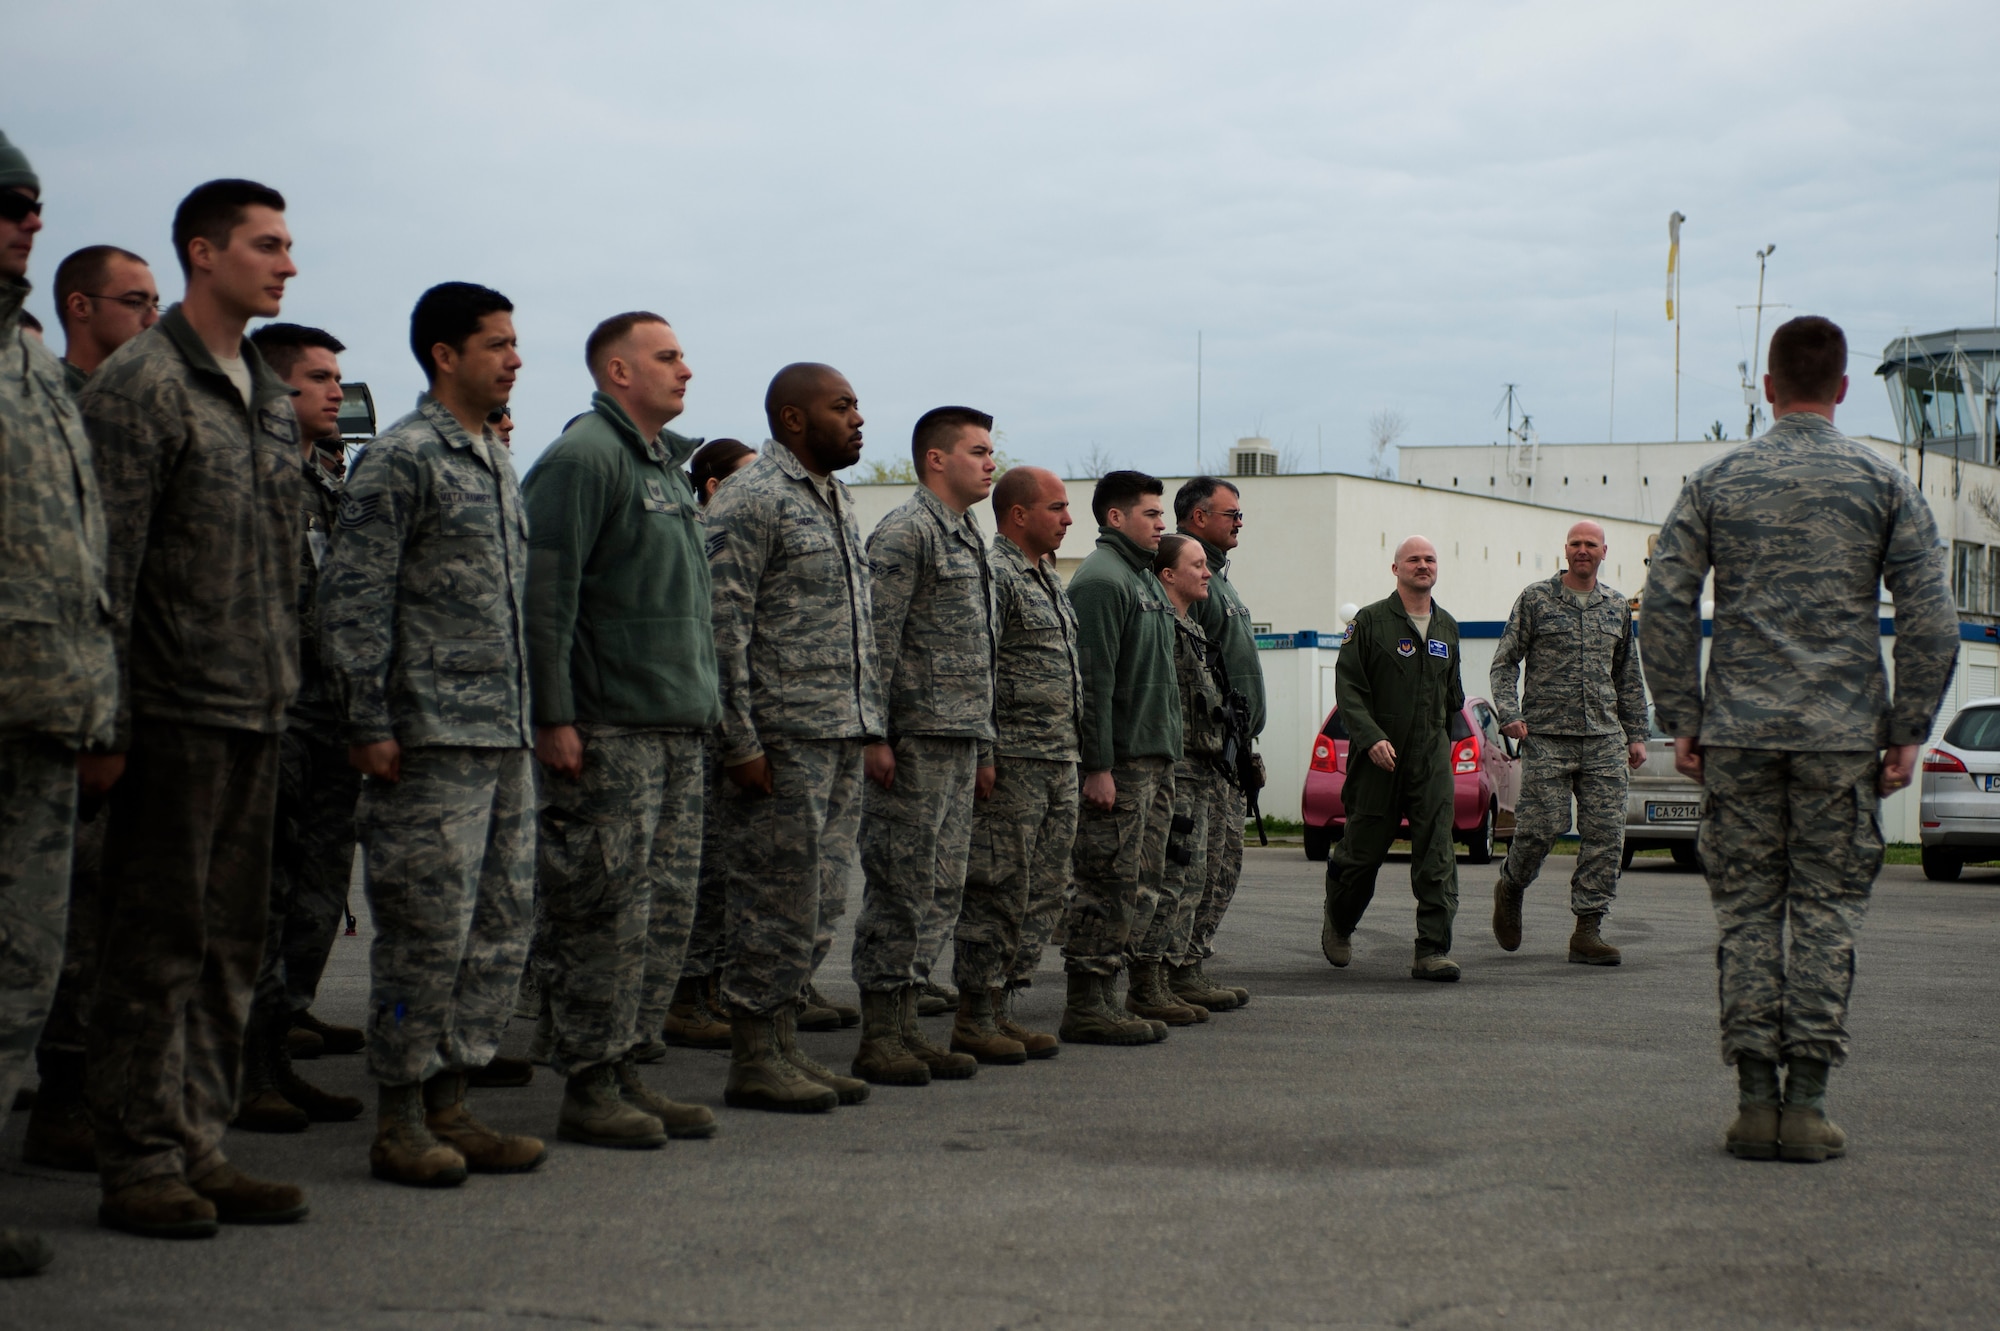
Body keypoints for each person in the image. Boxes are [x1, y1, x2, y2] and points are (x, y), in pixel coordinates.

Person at [1640, 315, 1957, 1164]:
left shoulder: (1717, 480)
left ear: (1769, 386)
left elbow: (1665, 600)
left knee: (1747, 913)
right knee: (1824, 912)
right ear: (1844, 387)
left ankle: (1753, 1103)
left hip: (1739, 733)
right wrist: (1909, 727)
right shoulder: (1882, 484)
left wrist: (1683, 714)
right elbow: (1932, 614)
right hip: (1842, 738)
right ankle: (1808, 1106)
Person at [80, 178, 308, 1236]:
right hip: (171, 709)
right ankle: (137, 1156)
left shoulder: (259, 386)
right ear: (201, 252)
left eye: (288, 245)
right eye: (266, 245)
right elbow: (106, 564)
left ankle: (199, 1141)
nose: (287, 263)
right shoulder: (142, 384)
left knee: (230, 941)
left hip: (257, 702)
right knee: (156, 941)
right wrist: (108, 720)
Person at [318, 281, 545, 1187]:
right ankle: (402, 1116)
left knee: (498, 926)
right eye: (497, 344)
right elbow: (355, 595)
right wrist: (366, 719)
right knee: (424, 931)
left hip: (501, 736)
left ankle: (454, 1099)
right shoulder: (404, 458)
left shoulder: (491, 461)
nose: (515, 358)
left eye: (515, 343)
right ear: (446, 355)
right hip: (428, 740)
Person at [522, 311, 722, 1148]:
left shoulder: (665, 469)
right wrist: (554, 715)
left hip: (673, 727)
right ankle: (589, 1080)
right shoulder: (583, 459)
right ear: (617, 370)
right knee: (604, 909)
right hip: (607, 728)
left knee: (662, 911)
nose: (686, 369)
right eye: (667, 356)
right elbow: (544, 596)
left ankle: (631, 1063)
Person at [0, 129, 118, 1277]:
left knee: (21, 965)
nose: (25, 220)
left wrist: (94, 708)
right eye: (5, 204)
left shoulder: (30, 371)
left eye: (33, 203)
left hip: (44, 716)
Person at [705, 363, 883, 1112]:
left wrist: (870, 722)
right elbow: (719, 625)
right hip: (781, 740)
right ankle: (754, 1055)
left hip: (838, 732)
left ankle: (784, 1047)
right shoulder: (753, 498)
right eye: (842, 406)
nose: (858, 419)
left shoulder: (836, 499)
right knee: (771, 902)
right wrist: (740, 740)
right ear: (793, 418)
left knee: (817, 901)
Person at [207, 323, 366, 1139]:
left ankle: (279, 1050)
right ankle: (242, 1071)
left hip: (329, 714)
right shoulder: (256, 474)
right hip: (272, 712)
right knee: (260, 900)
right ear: (276, 389)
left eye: (338, 377)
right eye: (319, 377)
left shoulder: (329, 484)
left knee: (313, 892)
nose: (337, 391)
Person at [22, 247, 161, 1175]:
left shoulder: (122, 405)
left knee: (113, 914)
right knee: (60, 916)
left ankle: (96, 1092)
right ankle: (60, 1097)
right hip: (63, 696)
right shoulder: (55, 404)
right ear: (80, 305)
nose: (152, 315)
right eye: (134, 300)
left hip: (127, 690)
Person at [849, 407, 998, 1082]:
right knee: (901, 887)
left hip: (958, 736)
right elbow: (875, 639)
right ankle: (880, 1033)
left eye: (992, 451)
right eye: (977, 450)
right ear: (936, 459)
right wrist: (874, 732)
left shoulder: (966, 532)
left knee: (940, 888)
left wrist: (984, 744)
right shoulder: (908, 531)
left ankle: (908, 1023)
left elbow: (978, 650)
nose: (991, 462)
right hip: (912, 741)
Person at [950, 466, 1081, 1061]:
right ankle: (975, 1012)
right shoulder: (996, 574)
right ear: (1019, 514)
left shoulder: (1047, 578)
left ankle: (1002, 1005)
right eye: (1056, 507)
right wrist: (983, 752)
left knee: (1044, 891)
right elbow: (978, 667)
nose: (1068, 519)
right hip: (1014, 761)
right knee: (998, 887)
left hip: (1058, 757)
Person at [1489, 520, 1647, 965]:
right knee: (1542, 828)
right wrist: (1510, 714)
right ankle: (1511, 885)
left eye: (1590, 544)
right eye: (1576, 544)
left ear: (1603, 552)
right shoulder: (1536, 599)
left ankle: (1588, 930)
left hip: (1603, 739)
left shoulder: (1617, 606)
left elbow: (1628, 676)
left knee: (1605, 836)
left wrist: (1635, 735)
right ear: (1566, 550)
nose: (1583, 550)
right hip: (1548, 738)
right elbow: (1505, 664)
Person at [1058, 470, 1180, 1045]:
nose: (1162, 524)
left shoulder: (1144, 580)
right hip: (1122, 764)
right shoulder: (1103, 581)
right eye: (1152, 514)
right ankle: (1087, 1001)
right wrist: (1098, 766)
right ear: (1115, 518)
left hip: (1153, 759)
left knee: (1140, 883)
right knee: (1107, 882)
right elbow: (1094, 681)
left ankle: (1114, 993)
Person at [1322, 535, 1466, 982]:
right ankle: (1340, 921)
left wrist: (1445, 748)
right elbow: (1349, 691)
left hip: (1430, 761)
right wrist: (1370, 738)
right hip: (1378, 762)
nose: (1423, 565)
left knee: (1437, 854)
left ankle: (1431, 950)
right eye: (1413, 560)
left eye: (1429, 559)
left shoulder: (1447, 627)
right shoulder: (1367, 623)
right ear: (1396, 568)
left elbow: (1452, 697)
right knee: (1360, 856)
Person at [664, 436, 758, 1050]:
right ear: (715, 486)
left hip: (720, 719)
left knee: (726, 871)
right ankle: (687, 995)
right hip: (696, 723)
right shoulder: (704, 534)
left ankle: (711, 988)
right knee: (697, 870)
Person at [1168, 477, 1263, 1010]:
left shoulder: (1219, 580)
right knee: (1196, 865)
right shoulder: (1188, 573)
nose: (1239, 522)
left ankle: (1190, 962)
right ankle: (1175, 968)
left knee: (1222, 866)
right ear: (1199, 517)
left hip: (1229, 748)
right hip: (1201, 749)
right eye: (1231, 513)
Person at [1127, 533, 1227, 1026]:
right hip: (1176, 769)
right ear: (1167, 574)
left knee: (1191, 878)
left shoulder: (1190, 627)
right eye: (1197, 564)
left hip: (1201, 770)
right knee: (1168, 877)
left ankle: (1170, 973)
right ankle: (1147, 980)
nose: (1207, 572)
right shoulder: (1161, 628)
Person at [53, 245, 159, 393]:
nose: (154, 320)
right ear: (80, 307)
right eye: (135, 302)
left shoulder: (147, 403)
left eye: (156, 306)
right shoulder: (44, 398)